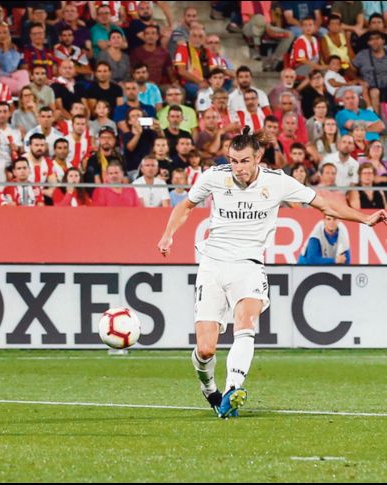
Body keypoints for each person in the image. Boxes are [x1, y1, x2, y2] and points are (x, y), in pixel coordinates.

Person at [157, 127, 387, 419]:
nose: (238, 167)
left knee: (246, 324)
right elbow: (186, 206)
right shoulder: (215, 176)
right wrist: (168, 235)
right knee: (205, 349)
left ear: (258, 157)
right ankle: (210, 389)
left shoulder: (277, 182)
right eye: (233, 160)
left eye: (243, 161)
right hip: (212, 264)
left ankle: (232, 389)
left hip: (250, 265)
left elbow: (324, 204)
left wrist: (365, 218)